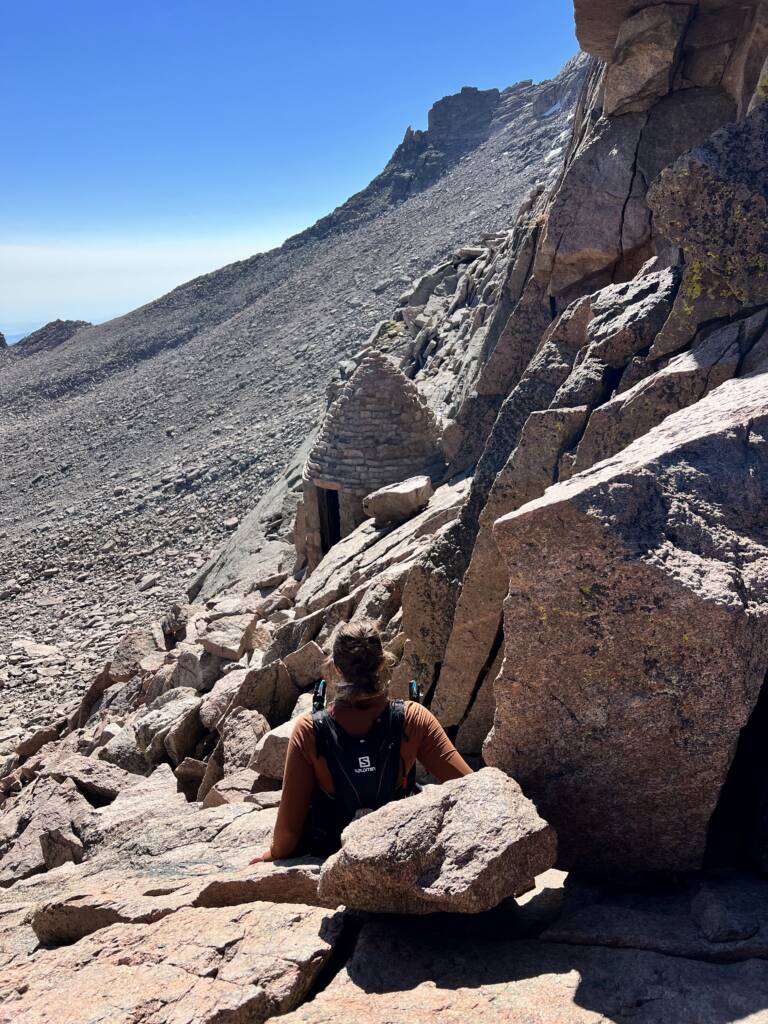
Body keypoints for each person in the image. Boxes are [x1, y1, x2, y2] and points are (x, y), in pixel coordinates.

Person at [250, 620, 472, 862]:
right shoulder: (413, 718)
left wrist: (272, 854)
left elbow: (288, 834)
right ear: (381, 663)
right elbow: (471, 786)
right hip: (401, 850)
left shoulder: (309, 730)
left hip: (335, 855)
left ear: (337, 669)